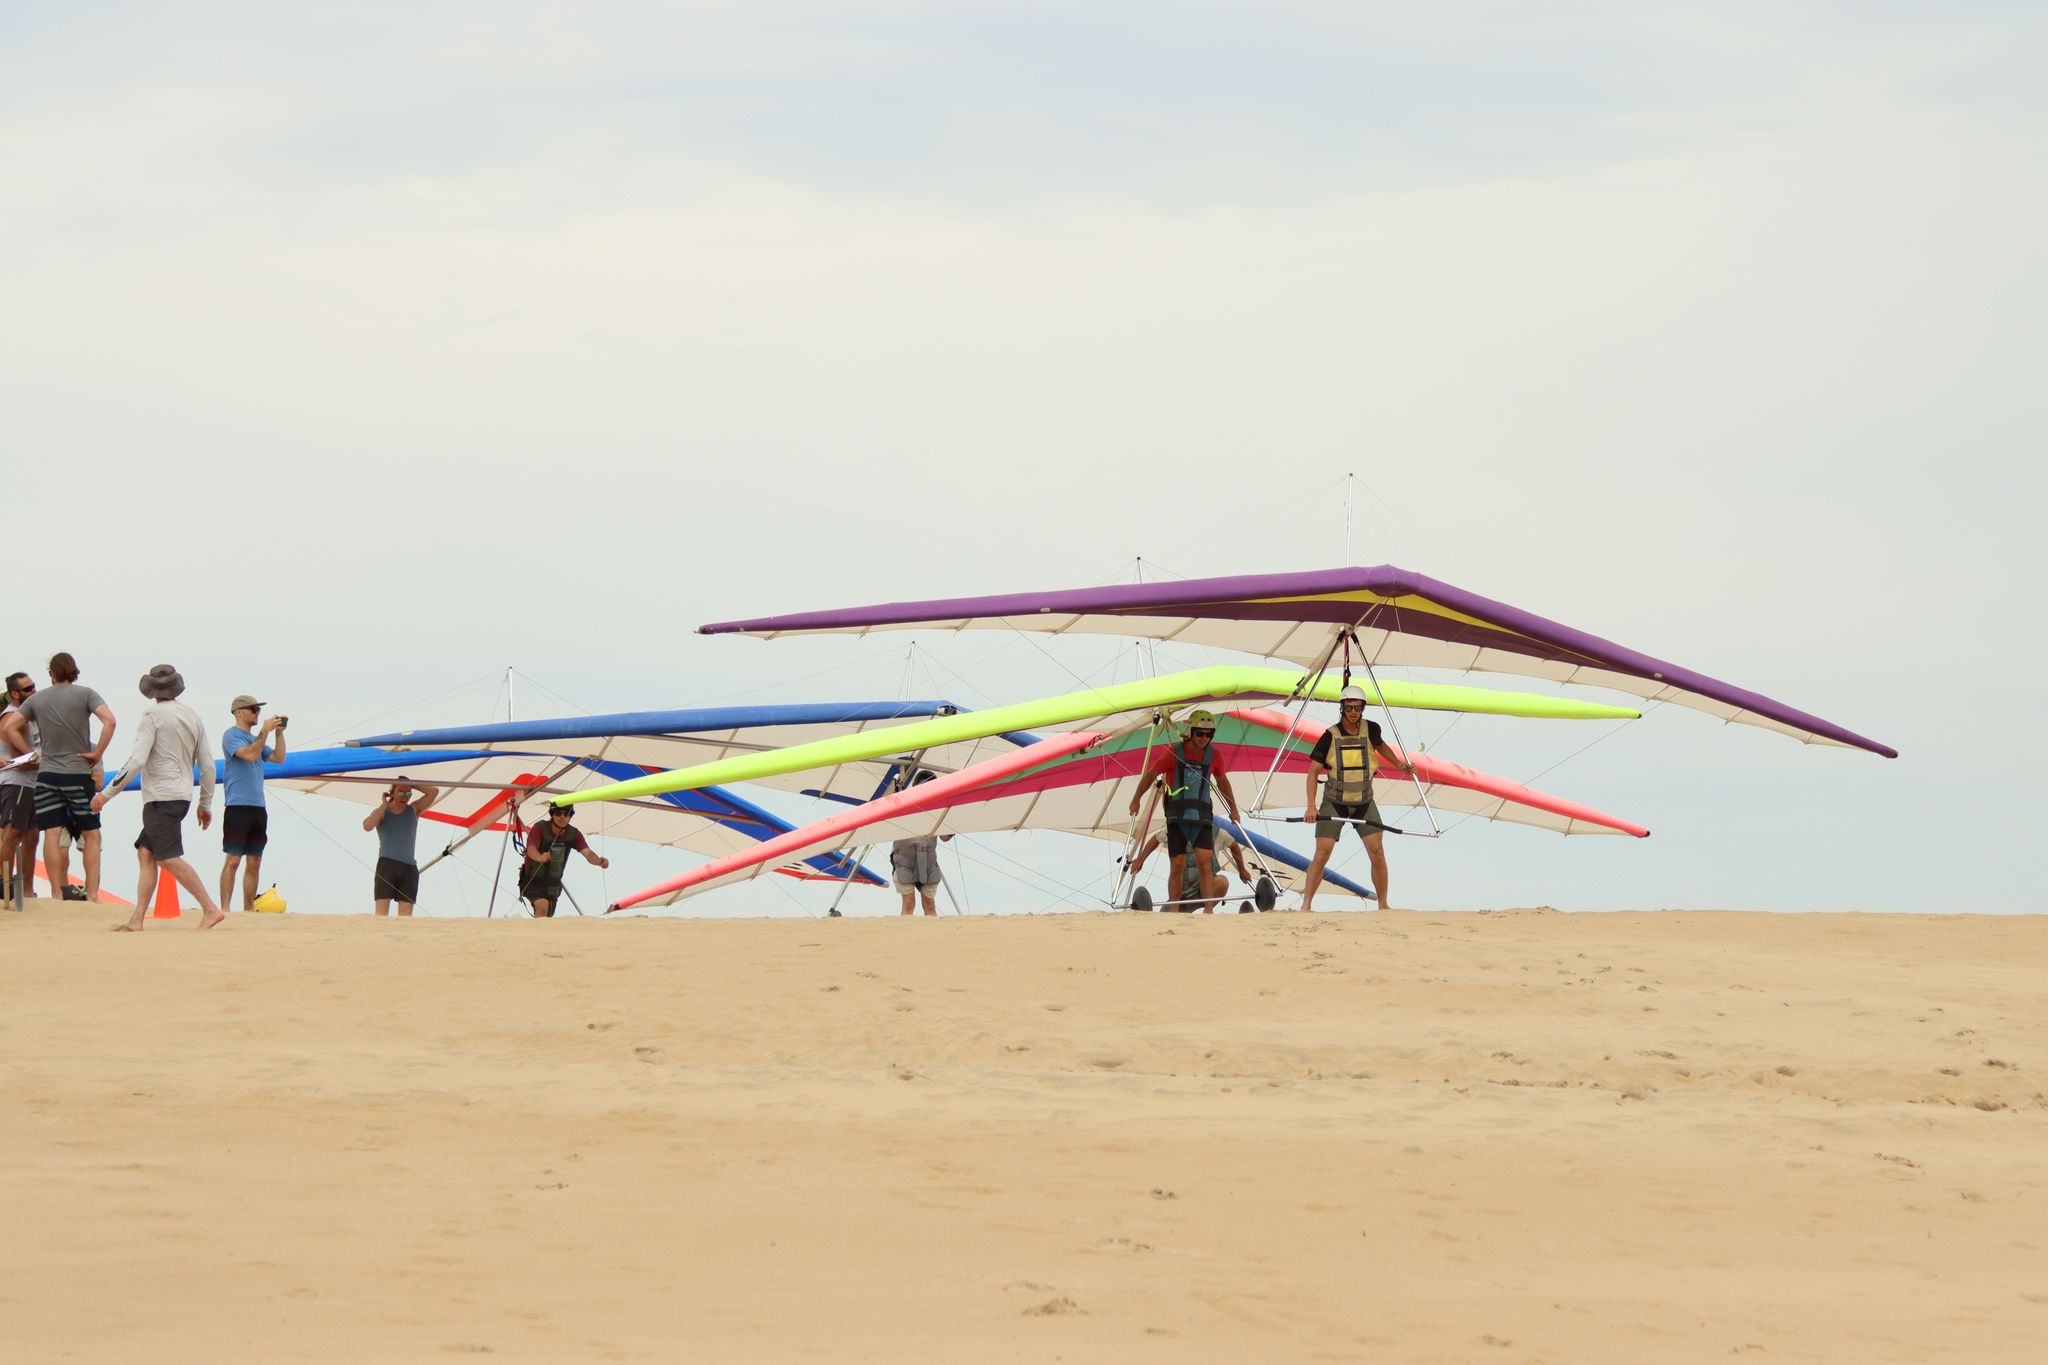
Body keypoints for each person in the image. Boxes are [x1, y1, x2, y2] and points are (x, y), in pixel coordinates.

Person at [91, 664, 224, 931]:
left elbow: (137, 760)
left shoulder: (151, 715)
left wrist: (106, 794)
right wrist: (205, 803)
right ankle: (137, 919)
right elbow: (208, 765)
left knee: (167, 857)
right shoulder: (192, 716)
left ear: (151, 690)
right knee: (146, 853)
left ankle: (210, 909)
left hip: (161, 797)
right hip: (181, 795)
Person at [4, 652, 115, 905]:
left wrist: (32, 753)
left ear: (51, 674)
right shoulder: (86, 694)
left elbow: (10, 728)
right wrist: (98, 753)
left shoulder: (38, 698)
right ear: (74, 671)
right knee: (91, 833)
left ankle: (55, 893)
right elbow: (110, 721)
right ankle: (93, 895)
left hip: (47, 774)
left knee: (51, 833)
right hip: (77, 772)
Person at [1299, 685, 1417, 911]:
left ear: (1363, 708)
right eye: (1349, 707)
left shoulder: (1371, 729)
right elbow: (1313, 772)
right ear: (1342, 708)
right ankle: (1306, 905)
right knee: (1322, 853)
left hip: (1363, 802)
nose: (1353, 712)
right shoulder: (1330, 735)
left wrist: (1400, 765)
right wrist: (1311, 806)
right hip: (1335, 802)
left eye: (1357, 707)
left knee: (1377, 852)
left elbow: (1381, 747)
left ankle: (1383, 905)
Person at [1128, 710, 1241, 914]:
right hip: (1177, 817)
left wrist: (1233, 808)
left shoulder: (1214, 755)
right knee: (1177, 865)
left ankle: (1208, 911)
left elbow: (1222, 781)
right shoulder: (1174, 753)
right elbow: (1151, 775)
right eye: (1200, 733)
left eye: (1209, 734)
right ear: (1191, 731)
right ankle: (1174, 910)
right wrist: (1136, 799)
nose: (1204, 738)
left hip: (1201, 816)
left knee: (1205, 863)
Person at [218, 694, 287, 913]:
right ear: (239, 712)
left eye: (258, 710)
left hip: (258, 806)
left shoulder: (255, 738)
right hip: (238, 805)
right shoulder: (231, 735)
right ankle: (225, 908)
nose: (257, 713)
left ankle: (248, 909)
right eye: (253, 709)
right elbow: (248, 755)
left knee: (255, 860)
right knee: (233, 860)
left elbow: (279, 758)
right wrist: (264, 731)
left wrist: (278, 733)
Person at [1130, 811, 1252, 912]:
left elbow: (1234, 845)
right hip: (1179, 893)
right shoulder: (1177, 830)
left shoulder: (1216, 832)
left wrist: (1242, 870)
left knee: (1222, 882)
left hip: (1202, 892)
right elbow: (1156, 838)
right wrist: (1140, 860)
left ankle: (1207, 912)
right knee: (1166, 917)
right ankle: (1174, 911)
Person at [518, 803, 609, 917]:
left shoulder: (574, 834)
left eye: (566, 814)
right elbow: (531, 849)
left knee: (546, 915)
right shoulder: (540, 828)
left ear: (570, 816)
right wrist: (540, 857)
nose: (562, 816)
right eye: (558, 813)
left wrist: (599, 861)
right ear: (552, 814)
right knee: (542, 905)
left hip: (552, 886)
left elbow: (588, 853)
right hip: (533, 882)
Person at [363, 778, 437, 916]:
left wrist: (411, 784)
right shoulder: (382, 811)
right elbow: (367, 826)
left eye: (408, 793)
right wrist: (384, 805)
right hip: (387, 864)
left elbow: (433, 792)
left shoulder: (413, 809)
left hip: (409, 867)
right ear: (392, 792)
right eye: (401, 792)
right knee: (381, 912)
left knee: (406, 915)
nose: (405, 797)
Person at [888, 771, 952, 916]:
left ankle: (932, 930)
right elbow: (889, 804)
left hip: (927, 861)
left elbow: (945, 837)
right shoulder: (903, 803)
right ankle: (906, 929)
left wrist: (952, 817)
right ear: (915, 786)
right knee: (909, 903)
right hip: (905, 860)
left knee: (930, 904)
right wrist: (896, 788)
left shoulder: (936, 808)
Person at [1, 672, 38, 908]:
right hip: (17, 782)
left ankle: (27, 890)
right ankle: (4, 889)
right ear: (14, 694)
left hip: (27, 783)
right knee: (12, 834)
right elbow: (21, 761)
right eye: (28, 689)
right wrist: (45, 760)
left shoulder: (24, 715)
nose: (34, 691)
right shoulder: (14, 717)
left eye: (33, 686)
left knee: (32, 836)